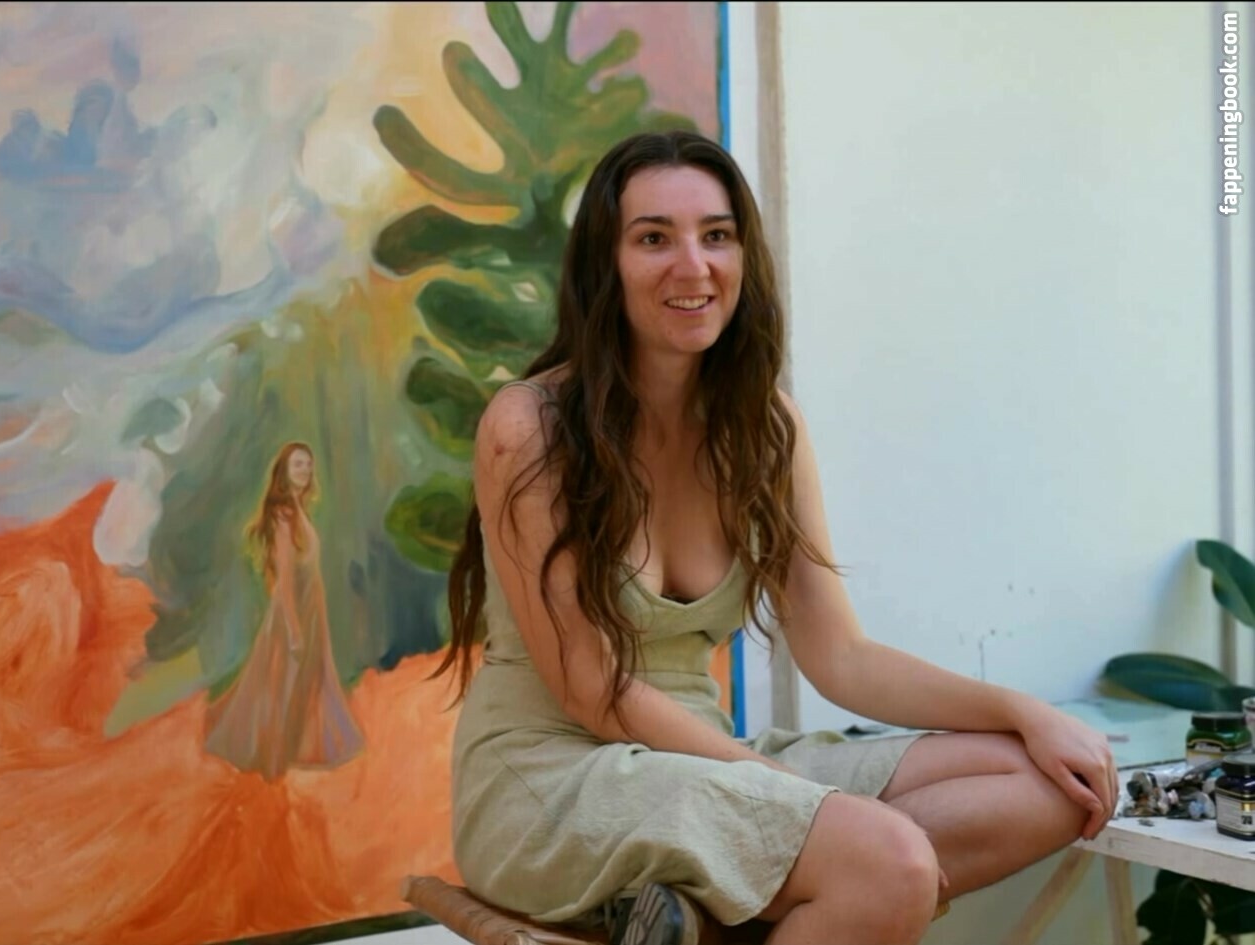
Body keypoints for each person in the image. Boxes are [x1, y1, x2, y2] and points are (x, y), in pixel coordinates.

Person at [437, 130, 1117, 945]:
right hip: (552, 780)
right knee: (893, 863)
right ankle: (772, 891)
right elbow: (593, 688)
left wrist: (1025, 712)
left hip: (698, 759)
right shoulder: (530, 427)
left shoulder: (764, 430)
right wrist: (792, 799)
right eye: (654, 238)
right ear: (604, 265)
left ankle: (700, 914)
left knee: (1047, 782)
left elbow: (842, 657)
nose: (694, 265)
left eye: (716, 235)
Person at [204, 441, 363, 781]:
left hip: (310, 609)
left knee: (307, 679)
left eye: (308, 464)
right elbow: (285, 578)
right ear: (284, 472)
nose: (305, 470)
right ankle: (271, 757)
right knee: (281, 681)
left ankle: (295, 748)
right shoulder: (283, 515)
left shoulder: (298, 509)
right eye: (298, 465)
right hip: (293, 612)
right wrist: (292, 628)